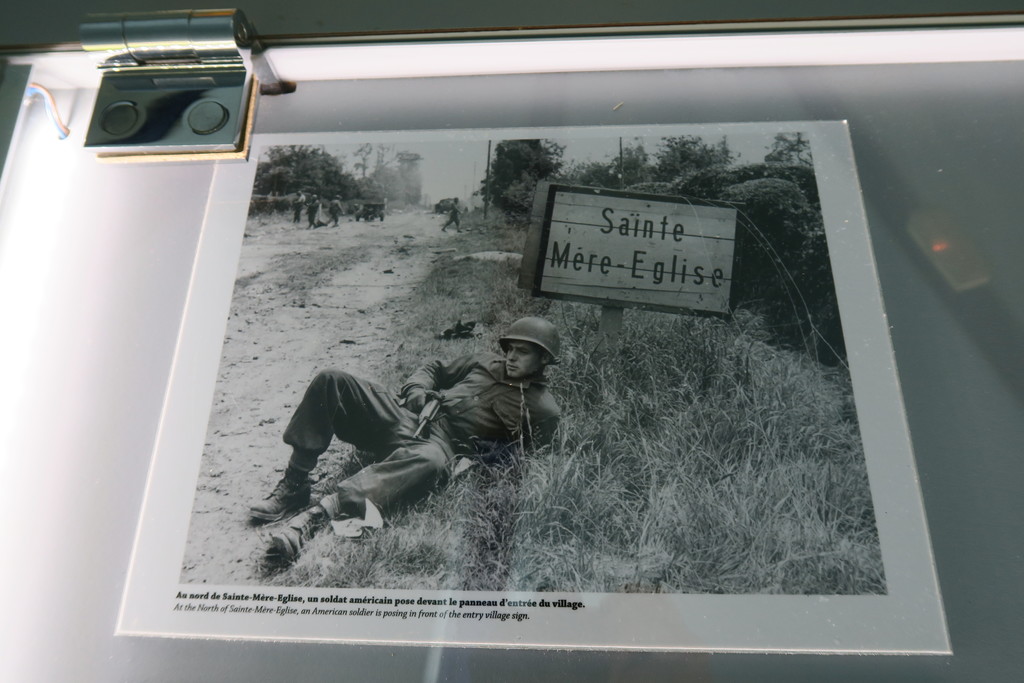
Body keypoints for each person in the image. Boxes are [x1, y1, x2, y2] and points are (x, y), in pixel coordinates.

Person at [251, 317, 562, 564]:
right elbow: (435, 369)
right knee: (332, 379)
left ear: (543, 358)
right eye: (509, 348)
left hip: (441, 445)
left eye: (522, 352)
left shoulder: (543, 409)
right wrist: (417, 390)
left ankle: (321, 513)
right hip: (409, 415)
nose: (510, 357)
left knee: (430, 461)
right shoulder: (484, 361)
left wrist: (480, 456)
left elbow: (533, 456)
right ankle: (295, 483)